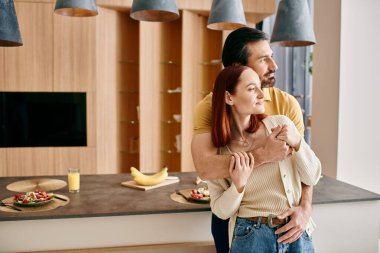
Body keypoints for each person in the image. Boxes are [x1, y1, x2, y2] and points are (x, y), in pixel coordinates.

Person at [191, 27, 314, 253]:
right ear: (238, 67)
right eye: (264, 59)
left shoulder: (286, 106)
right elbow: (206, 168)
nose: (274, 66)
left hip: (290, 222)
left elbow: (304, 166)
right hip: (237, 220)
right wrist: (262, 155)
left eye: (272, 57)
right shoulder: (210, 108)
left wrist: (305, 209)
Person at [208, 64, 321, 252]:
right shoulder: (219, 150)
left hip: (296, 233)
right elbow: (220, 210)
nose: (262, 94)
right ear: (229, 97)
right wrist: (238, 186)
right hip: (251, 237)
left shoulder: (280, 125)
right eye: (252, 89)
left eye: (260, 86)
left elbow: (312, 176)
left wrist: (297, 142)